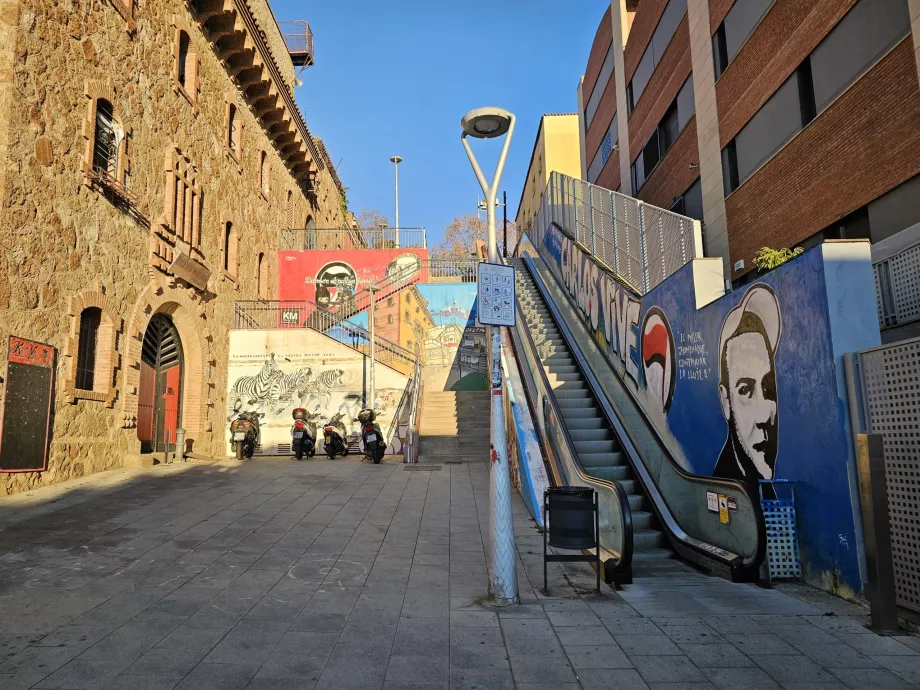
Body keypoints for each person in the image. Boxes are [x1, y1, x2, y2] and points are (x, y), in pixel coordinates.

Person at [713, 285, 781, 487]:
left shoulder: (762, 490)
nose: (763, 418)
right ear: (726, 402)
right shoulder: (726, 484)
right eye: (745, 390)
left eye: (768, 389)